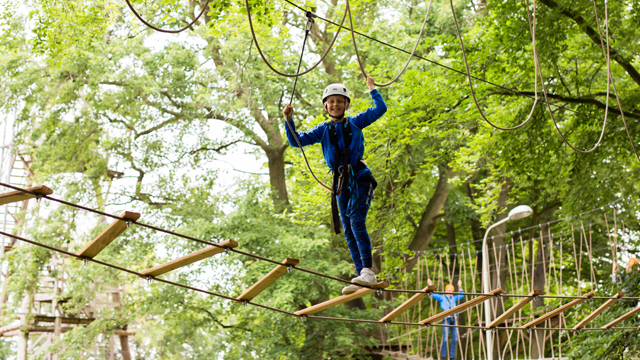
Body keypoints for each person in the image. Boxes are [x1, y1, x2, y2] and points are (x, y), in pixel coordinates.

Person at [282, 76, 387, 295]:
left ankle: (368, 270)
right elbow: (296, 141)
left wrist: (372, 89)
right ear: (325, 106)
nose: (336, 105)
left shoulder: (356, 122)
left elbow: (380, 109)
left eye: (340, 101)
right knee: (348, 229)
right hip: (341, 185)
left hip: (359, 178)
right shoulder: (323, 130)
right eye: (331, 101)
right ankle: (361, 274)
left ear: (346, 105)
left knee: (357, 220)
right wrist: (288, 121)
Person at [428, 279, 464, 360]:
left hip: (454, 318)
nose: (449, 292)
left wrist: (460, 286)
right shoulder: (442, 297)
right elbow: (431, 294)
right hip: (446, 318)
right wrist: (430, 284)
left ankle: (452, 356)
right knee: (445, 338)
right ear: (445, 290)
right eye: (448, 290)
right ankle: (443, 356)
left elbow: (462, 295)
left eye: (451, 291)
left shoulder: (453, 298)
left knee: (455, 339)